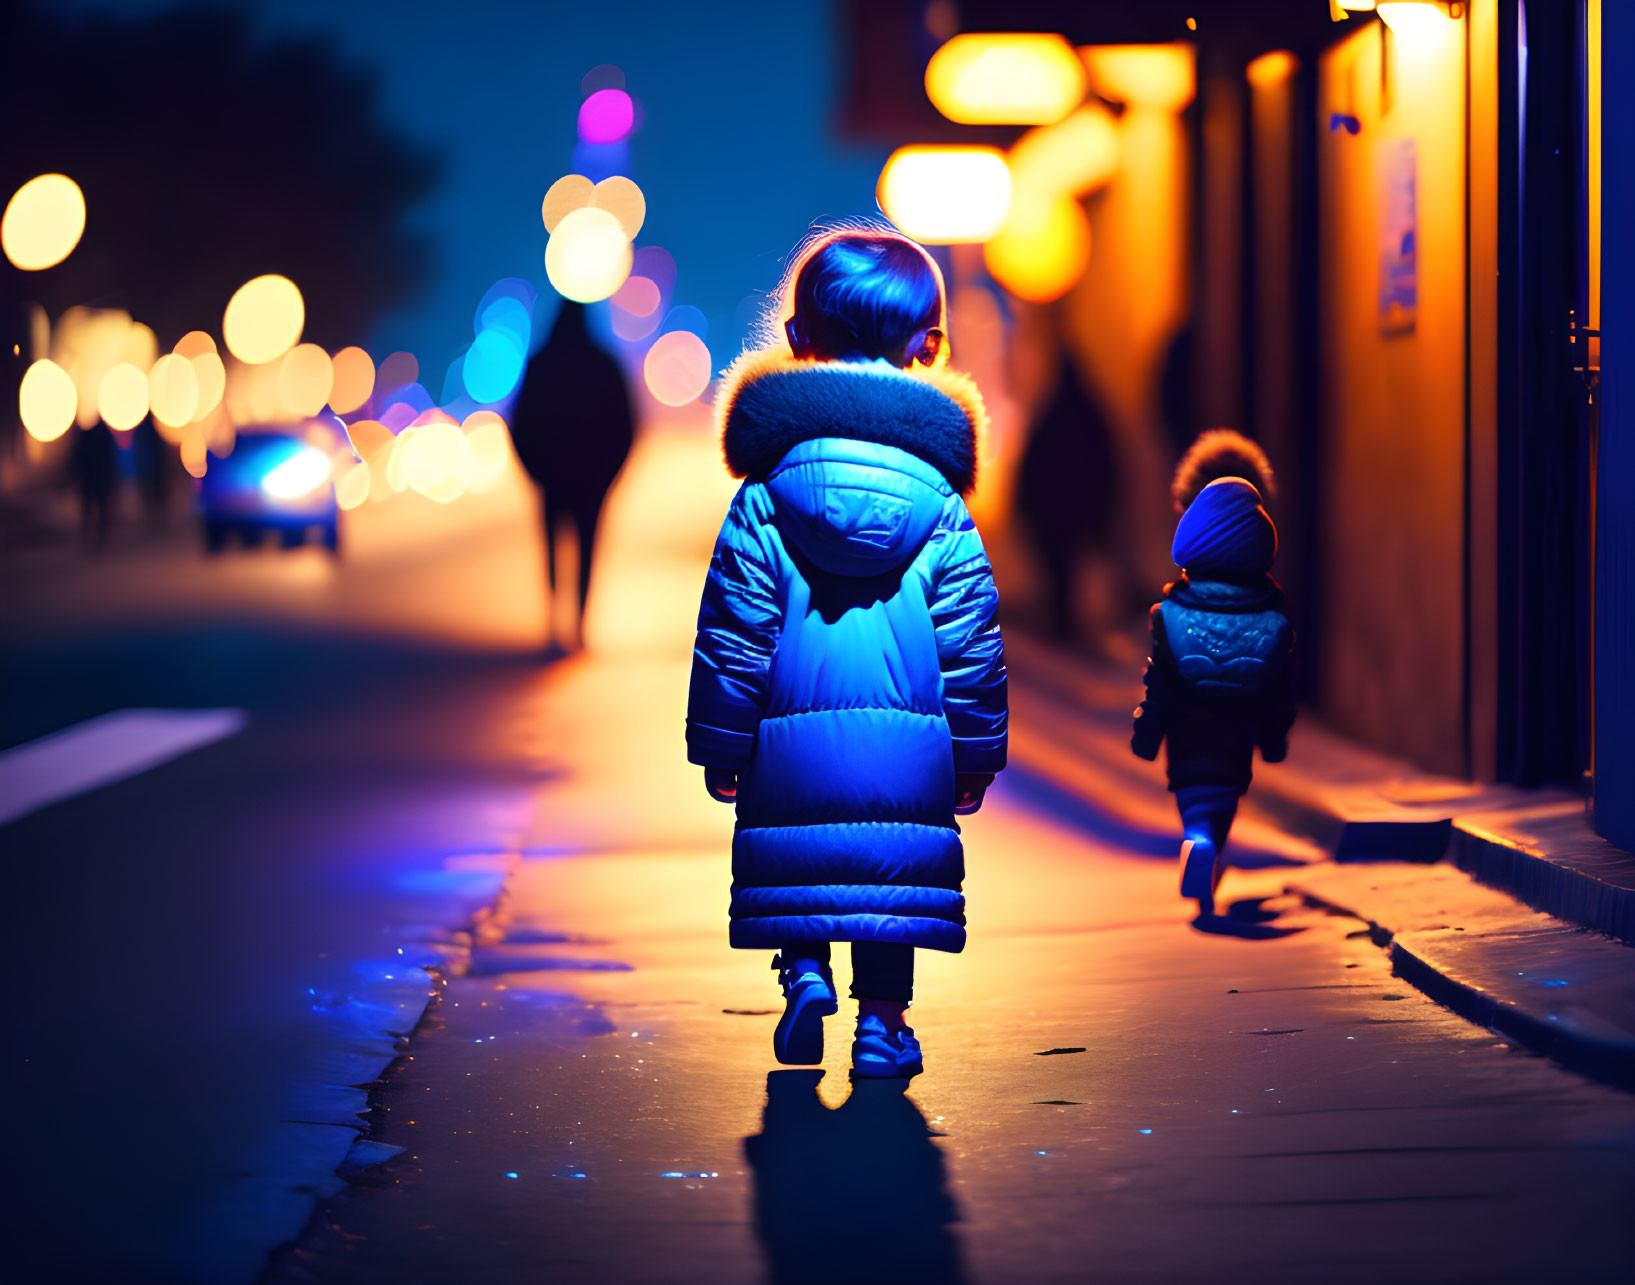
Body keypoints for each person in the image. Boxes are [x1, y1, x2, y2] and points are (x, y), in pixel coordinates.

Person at [688, 228, 1007, 1079]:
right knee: (885, 882)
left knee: (801, 860)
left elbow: (734, 626)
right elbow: (970, 639)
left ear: (798, 341)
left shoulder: (766, 493)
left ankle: (800, 973)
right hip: (906, 751)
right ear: (929, 348)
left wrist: (722, 743)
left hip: (784, 744)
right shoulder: (938, 501)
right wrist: (975, 753)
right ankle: (881, 1026)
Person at [1131, 476, 1296, 916]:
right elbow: (1279, 690)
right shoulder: (1273, 623)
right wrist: (1275, 738)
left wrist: (1147, 732)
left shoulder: (1169, 617)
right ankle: (1209, 846)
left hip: (1186, 732)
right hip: (1236, 733)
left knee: (1194, 793)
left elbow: (1159, 683)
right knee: (1224, 792)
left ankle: (1198, 839)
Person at [507, 300, 634, 649]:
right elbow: (625, 427)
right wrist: (608, 474)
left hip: (552, 476)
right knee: (587, 549)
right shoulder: (605, 366)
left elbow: (519, 424)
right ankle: (578, 624)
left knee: (550, 546)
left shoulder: (540, 365)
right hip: (591, 479)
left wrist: (535, 471)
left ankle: (553, 622)